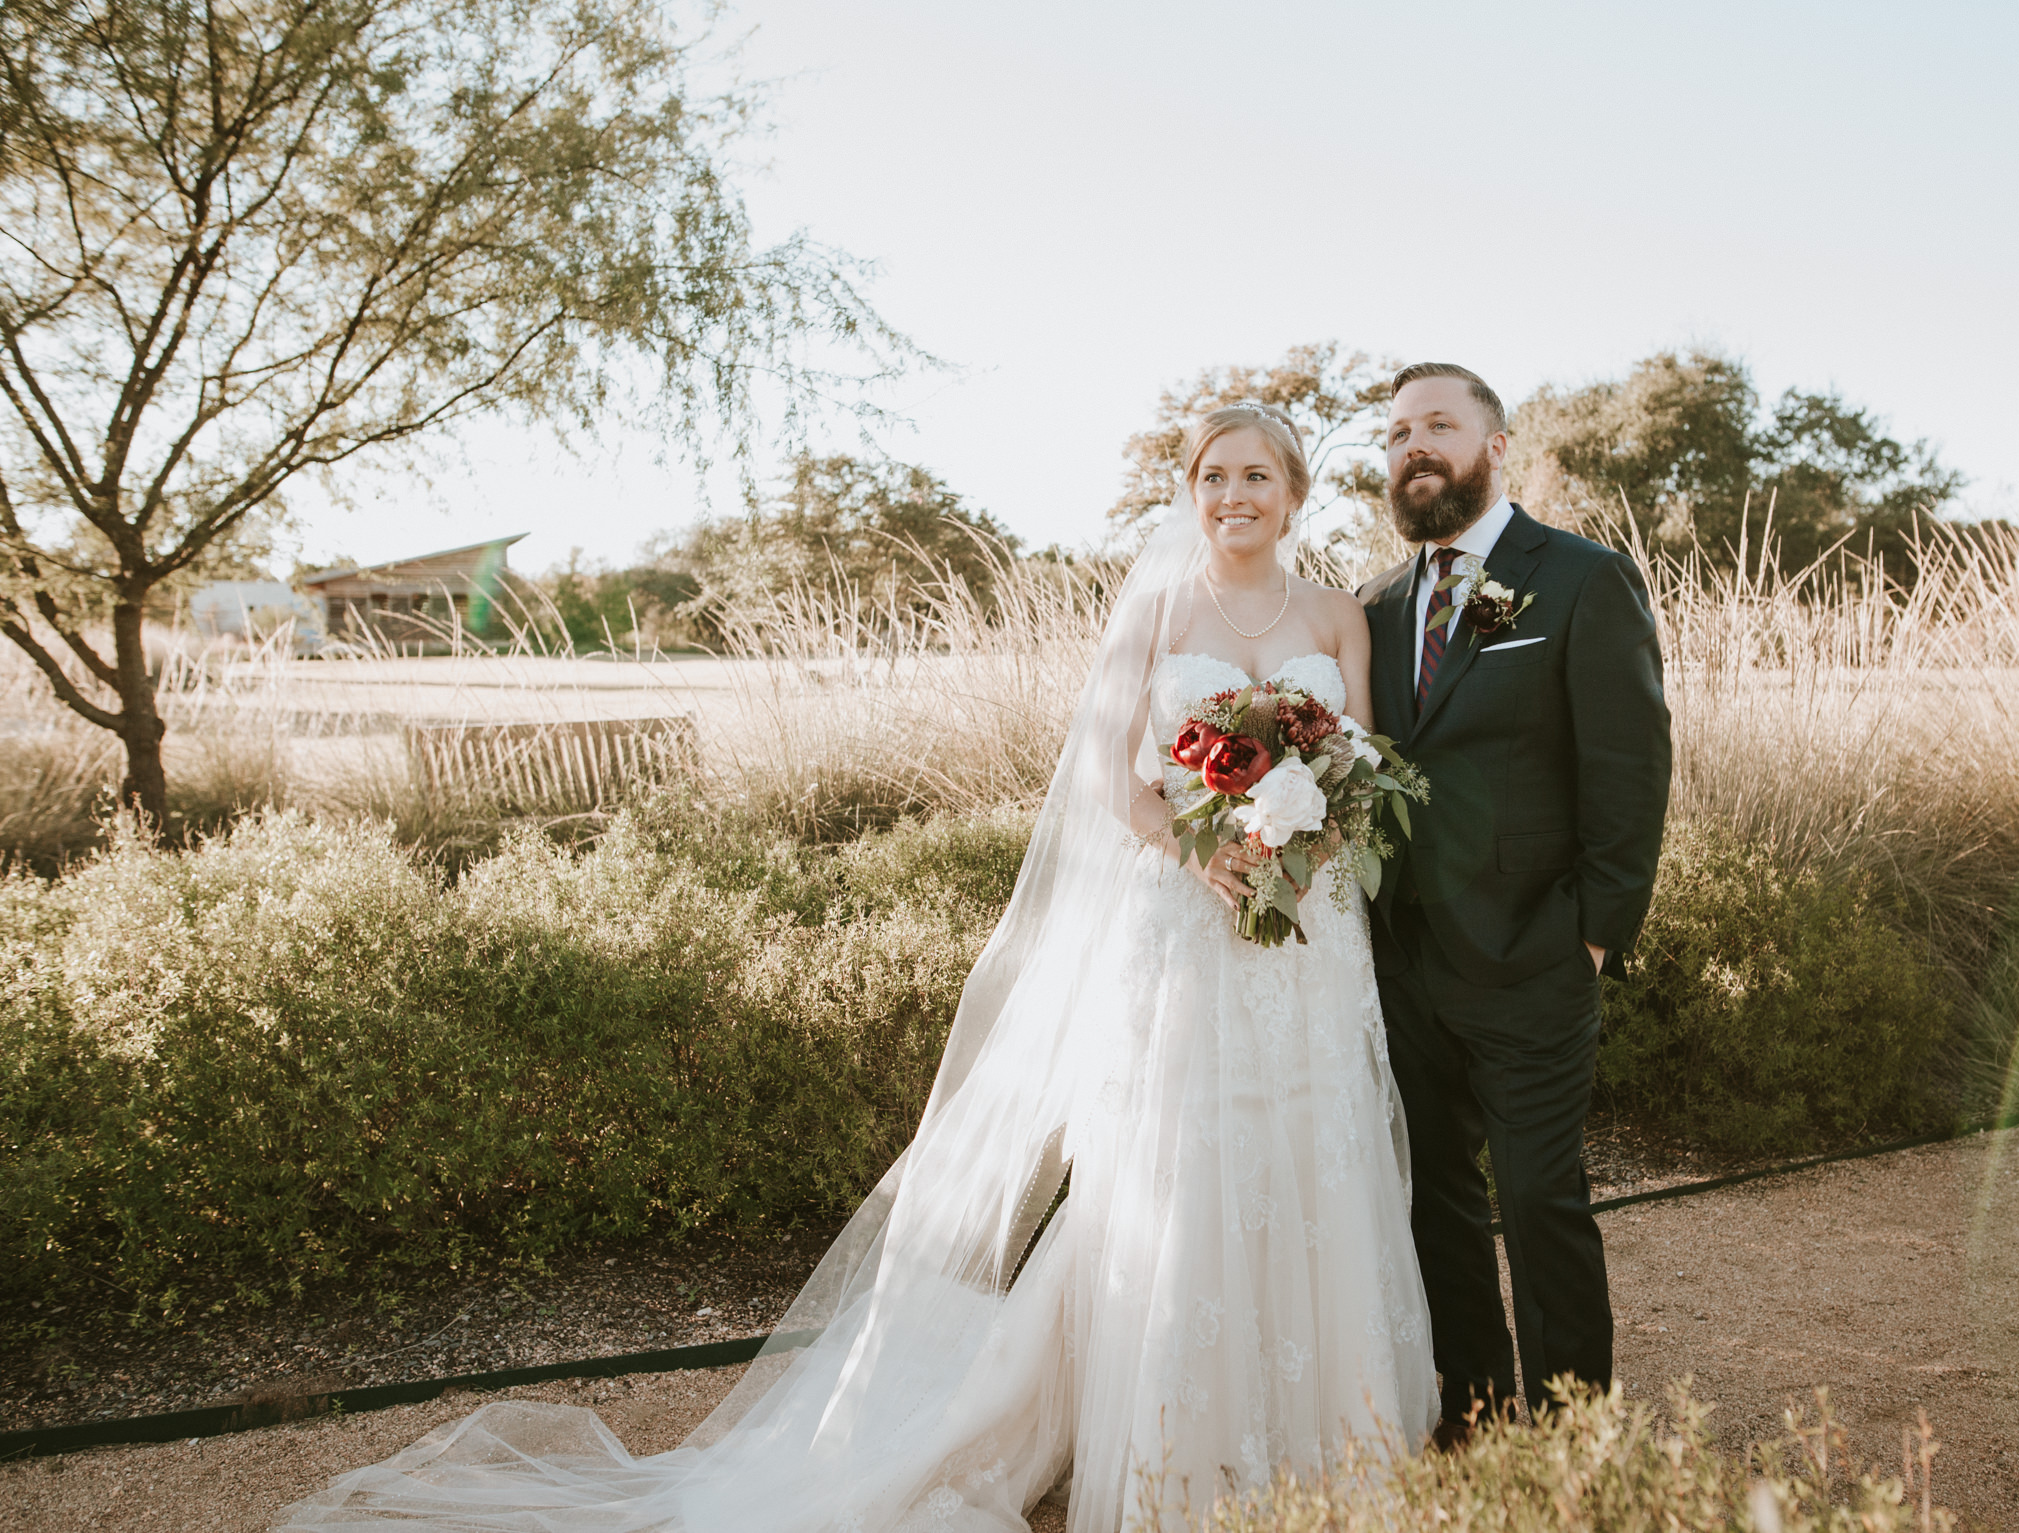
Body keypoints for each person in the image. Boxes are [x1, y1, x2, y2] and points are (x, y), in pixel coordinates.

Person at [278, 403, 1437, 1533]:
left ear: (1291, 492)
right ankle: (1181, 1440)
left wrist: (1295, 844)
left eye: (1255, 478)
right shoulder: (1154, 611)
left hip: (1304, 932)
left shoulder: (1337, 616)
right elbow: (1109, 781)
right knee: (1183, 1160)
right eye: (1212, 477)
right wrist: (1204, 860)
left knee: (1307, 1144)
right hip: (1184, 919)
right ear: (1189, 493)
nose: (1232, 497)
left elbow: (1362, 766)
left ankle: (1325, 1428)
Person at [1356, 363, 1671, 1447]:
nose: (1413, 447)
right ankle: (1477, 1416)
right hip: (1408, 966)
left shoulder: (1579, 580)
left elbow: (1629, 772)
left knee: (1540, 1204)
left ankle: (1574, 1437)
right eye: (1396, 433)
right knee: (1434, 1205)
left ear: (1495, 443)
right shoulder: (1376, 609)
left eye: (1438, 424)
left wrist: (1589, 937)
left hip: (1536, 957)